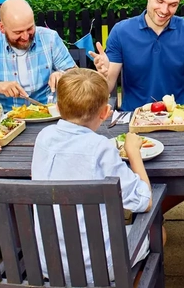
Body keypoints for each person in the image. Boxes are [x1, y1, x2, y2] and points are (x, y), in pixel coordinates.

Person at [31, 68, 152, 284]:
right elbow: (144, 201)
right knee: (155, 232)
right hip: (97, 265)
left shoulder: (43, 137)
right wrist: (133, 153)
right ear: (105, 112)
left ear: (57, 107)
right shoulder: (101, 148)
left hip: (48, 263)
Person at [0, 0, 76, 111]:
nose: (25, 37)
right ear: (2, 28)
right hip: (7, 120)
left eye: (30, 28)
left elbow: (78, 76)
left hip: (50, 113)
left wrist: (63, 74)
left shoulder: (50, 38)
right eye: (18, 32)